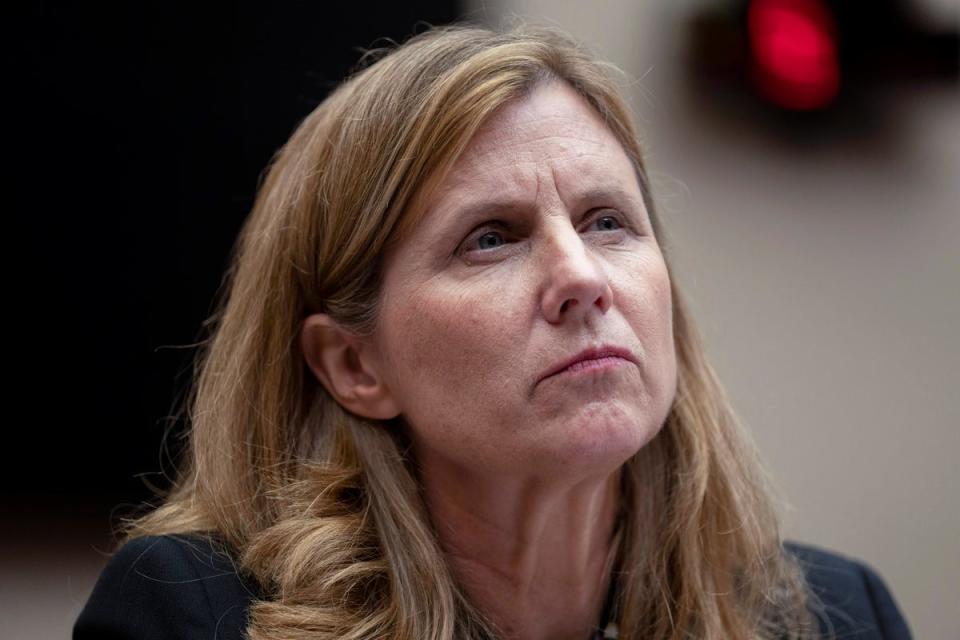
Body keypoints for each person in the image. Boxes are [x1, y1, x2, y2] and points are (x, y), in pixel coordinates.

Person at [74, 24, 911, 640]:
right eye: (492, 238)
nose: (582, 278)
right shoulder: (189, 617)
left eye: (608, 221)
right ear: (354, 364)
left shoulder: (838, 618)